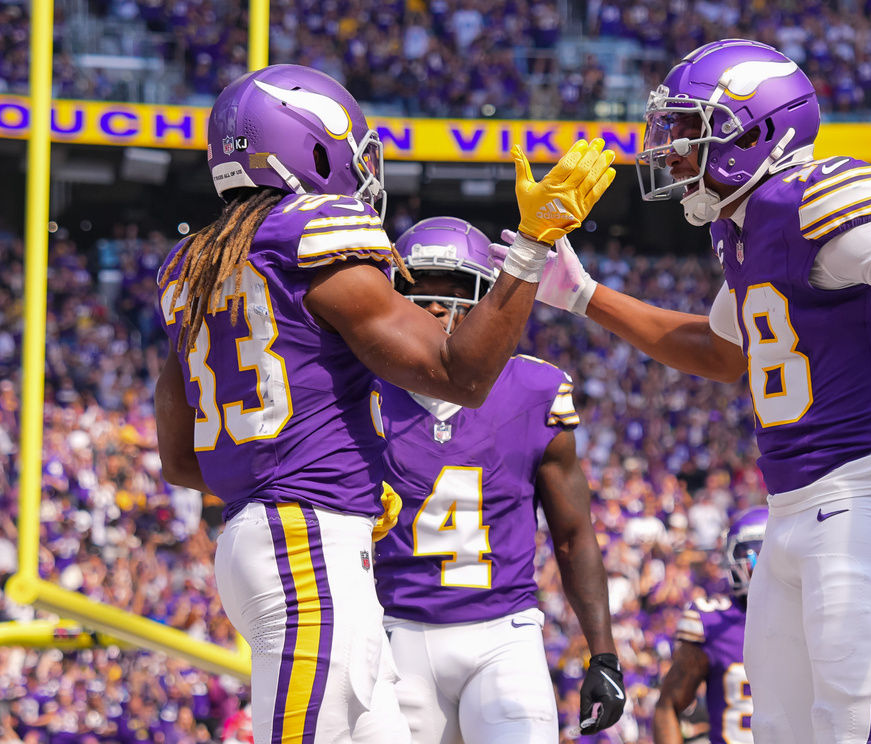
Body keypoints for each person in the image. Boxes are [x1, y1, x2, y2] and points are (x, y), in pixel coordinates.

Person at [489, 39, 871, 744]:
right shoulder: (740, 225)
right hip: (790, 508)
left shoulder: (818, 199)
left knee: (854, 727)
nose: (673, 151)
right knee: (779, 729)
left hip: (868, 495)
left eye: (690, 130)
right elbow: (718, 352)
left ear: (758, 133)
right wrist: (586, 295)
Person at [154, 63, 615, 744]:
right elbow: (461, 375)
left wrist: (326, 479)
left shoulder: (197, 264)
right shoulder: (311, 233)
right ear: (313, 148)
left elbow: (182, 457)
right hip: (304, 547)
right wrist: (532, 244)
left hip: (274, 540)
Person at [368, 216, 625, 744]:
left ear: (489, 297)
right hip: (395, 633)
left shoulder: (534, 389)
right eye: (419, 290)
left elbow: (573, 535)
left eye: (456, 290)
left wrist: (604, 654)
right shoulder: (360, 390)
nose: (436, 306)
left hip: (503, 635)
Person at [653, 507, 766, 744]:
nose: (756, 564)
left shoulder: (811, 614)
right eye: (752, 552)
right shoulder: (713, 622)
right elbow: (668, 707)